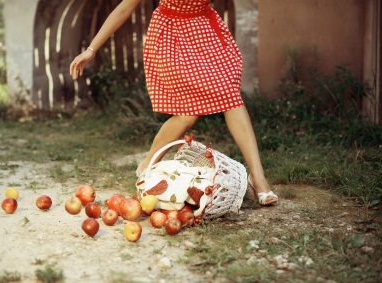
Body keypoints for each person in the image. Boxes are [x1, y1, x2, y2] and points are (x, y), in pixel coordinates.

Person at [69, 0, 278, 206]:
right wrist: (92, 49)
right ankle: (148, 163)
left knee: (230, 96)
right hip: (172, 37)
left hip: (205, 32)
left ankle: (257, 177)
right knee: (189, 113)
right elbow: (125, 7)